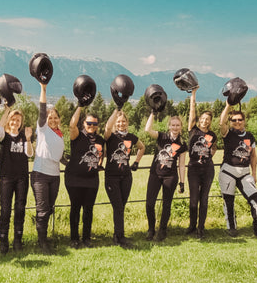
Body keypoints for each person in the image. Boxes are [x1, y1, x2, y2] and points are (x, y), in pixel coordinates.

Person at [218, 102, 257, 239]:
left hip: (245, 173)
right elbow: (221, 123)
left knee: (256, 200)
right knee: (229, 202)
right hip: (228, 172)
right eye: (233, 120)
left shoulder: (250, 136)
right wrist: (228, 105)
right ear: (230, 122)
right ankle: (232, 228)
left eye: (239, 119)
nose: (237, 122)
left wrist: (254, 174)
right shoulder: (227, 134)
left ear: (244, 121)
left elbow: (253, 156)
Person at [30, 82, 65, 254]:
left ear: (59, 120)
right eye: (50, 118)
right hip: (40, 175)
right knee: (42, 210)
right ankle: (42, 243)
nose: (52, 120)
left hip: (55, 176)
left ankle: (43, 237)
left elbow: (60, 156)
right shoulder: (43, 129)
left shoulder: (60, 135)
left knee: (49, 208)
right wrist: (43, 89)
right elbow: (42, 109)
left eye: (55, 118)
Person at [104, 109, 145, 247]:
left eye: (123, 121)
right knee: (118, 207)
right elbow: (107, 127)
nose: (121, 123)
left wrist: (136, 162)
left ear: (127, 123)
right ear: (115, 123)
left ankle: (119, 235)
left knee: (121, 206)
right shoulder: (110, 136)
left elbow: (142, 147)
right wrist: (115, 111)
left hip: (126, 176)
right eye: (118, 121)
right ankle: (119, 237)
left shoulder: (132, 137)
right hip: (112, 176)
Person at [65, 106, 104, 248]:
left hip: (92, 180)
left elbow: (101, 154)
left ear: (98, 126)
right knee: (75, 208)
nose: (91, 126)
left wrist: (99, 164)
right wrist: (80, 106)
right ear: (84, 124)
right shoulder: (77, 136)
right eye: (89, 123)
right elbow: (71, 124)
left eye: (94, 124)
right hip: (74, 179)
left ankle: (86, 238)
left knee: (89, 209)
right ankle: (74, 239)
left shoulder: (100, 139)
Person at [0, 107, 33, 254]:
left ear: (21, 123)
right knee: (5, 210)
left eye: (18, 120)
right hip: (6, 177)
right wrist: (7, 110)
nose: (15, 122)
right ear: (8, 120)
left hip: (22, 178)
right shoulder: (4, 136)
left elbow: (29, 153)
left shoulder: (24, 136)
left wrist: (29, 139)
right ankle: (3, 242)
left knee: (20, 209)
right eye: (12, 119)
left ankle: (18, 240)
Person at [145, 112, 187, 241]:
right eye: (173, 125)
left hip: (170, 176)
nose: (175, 128)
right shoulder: (162, 136)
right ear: (169, 126)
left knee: (167, 204)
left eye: (177, 125)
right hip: (155, 174)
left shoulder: (182, 144)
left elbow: (181, 164)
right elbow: (147, 130)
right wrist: (153, 112)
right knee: (149, 203)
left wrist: (182, 182)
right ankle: (151, 229)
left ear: (181, 127)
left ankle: (162, 229)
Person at [186, 86, 217, 239]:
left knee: (203, 200)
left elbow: (214, 148)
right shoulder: (193, 130)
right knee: (193, 200)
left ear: (210, 122)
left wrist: (207, 156)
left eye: (207, 119)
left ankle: (201, 228)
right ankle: (192, 226)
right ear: (199, 120)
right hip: (193, 169)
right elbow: (192, 110)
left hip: (208, 170)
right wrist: (193, 94)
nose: (205, 121)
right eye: (203, 118)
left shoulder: (212, 135)